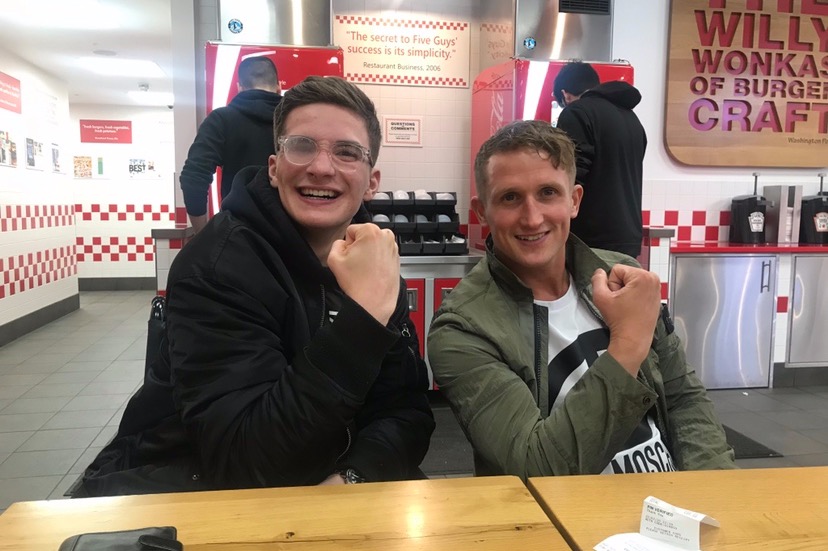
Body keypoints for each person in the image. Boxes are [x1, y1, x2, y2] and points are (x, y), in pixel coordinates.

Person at [76, 76, 435, 496]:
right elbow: (248, 463)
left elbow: (407, 412)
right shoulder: (216, 268)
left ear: (371, 181)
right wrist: (362, 322)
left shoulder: (373, 263)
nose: (322, 167)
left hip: (330, 488)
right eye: (301, 146)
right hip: (196, 494)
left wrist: (356, 475)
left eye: (347, 152)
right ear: (274, 168)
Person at [427, 120, 735, 479]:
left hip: (668, 504)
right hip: (564, 512)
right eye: (510, 197)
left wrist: (713, 491)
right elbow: (536, 467)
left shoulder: (624, 275)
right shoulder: (463, 328)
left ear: (574, 200)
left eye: (547, 193)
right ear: (482, 212)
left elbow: (684, 399)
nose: (532, 218)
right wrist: (628, 344)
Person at [553, 61, 647, 258]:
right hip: (629, 237)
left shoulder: (576, 112)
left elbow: (571, 174)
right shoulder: (631, 118)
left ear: (565, 95)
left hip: (591, 240)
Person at [179, 55, 282, 233]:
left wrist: (203, 234)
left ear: (239, 88)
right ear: (279, 87)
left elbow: (193, 177)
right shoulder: (293, 121)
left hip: (237, 234)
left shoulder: (221, 119)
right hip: (288, 234)